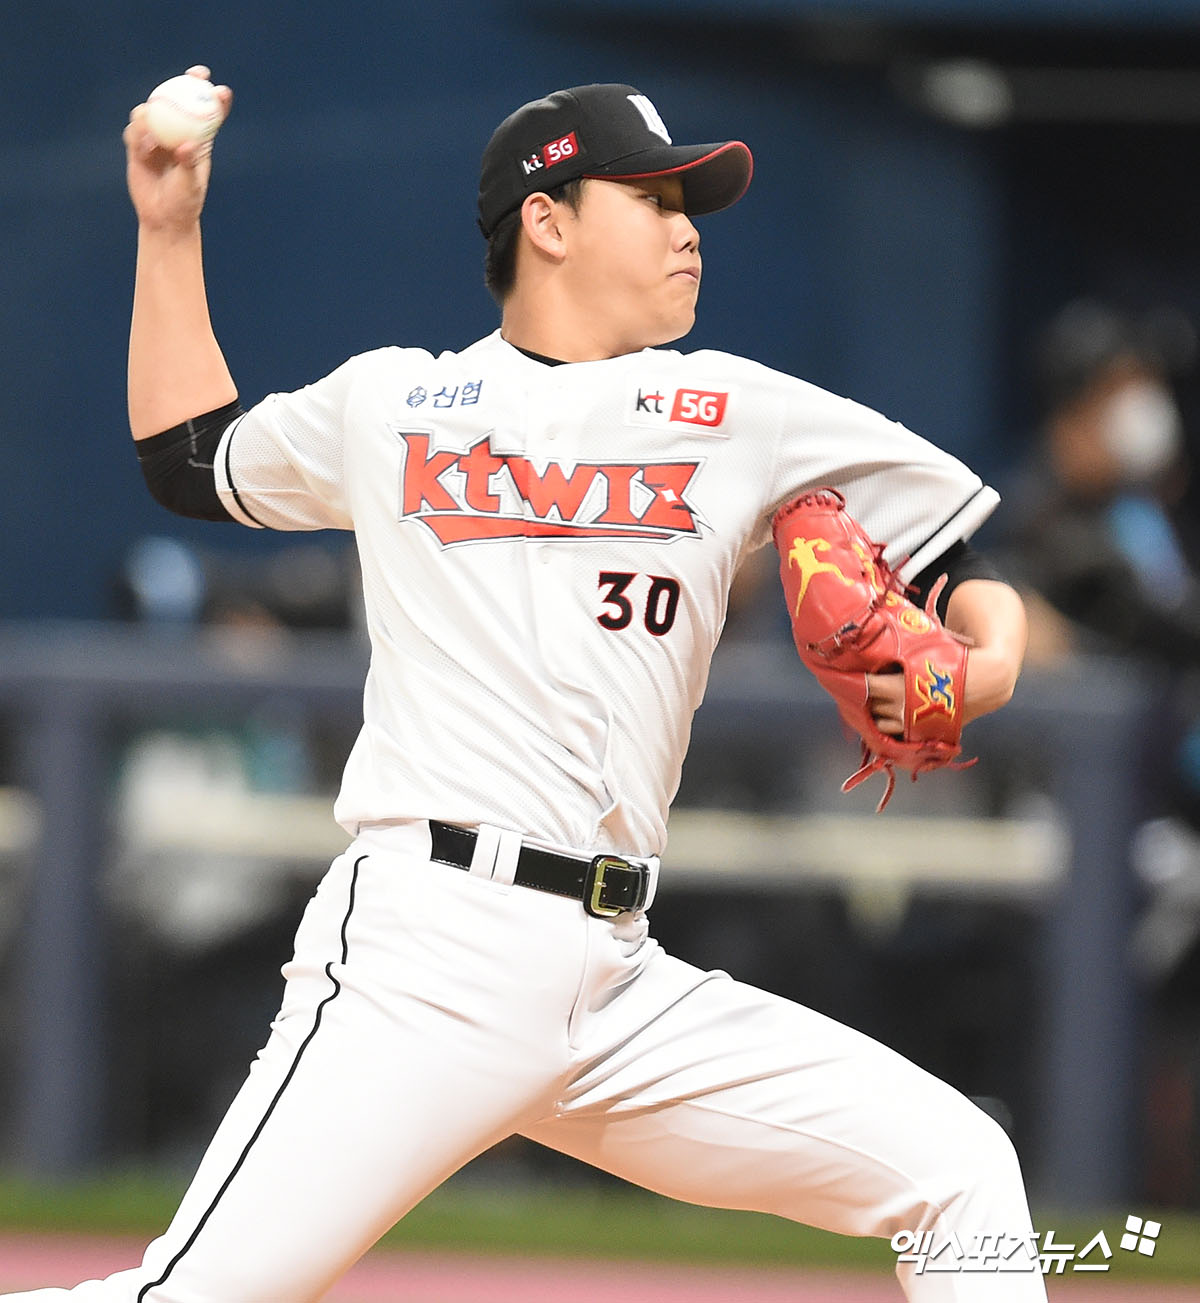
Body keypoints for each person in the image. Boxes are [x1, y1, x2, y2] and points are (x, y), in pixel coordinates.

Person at [10, 71, 1038, 1302]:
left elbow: (961, 562)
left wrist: (987, 667)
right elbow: (190, 458)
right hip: (429, 952)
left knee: (961, 1170)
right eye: (654, 199)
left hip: (618, 976)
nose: (688, 229)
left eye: (690, 205)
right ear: (546, 219)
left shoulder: (739, 411)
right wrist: (168, 226)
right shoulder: (396, 401)